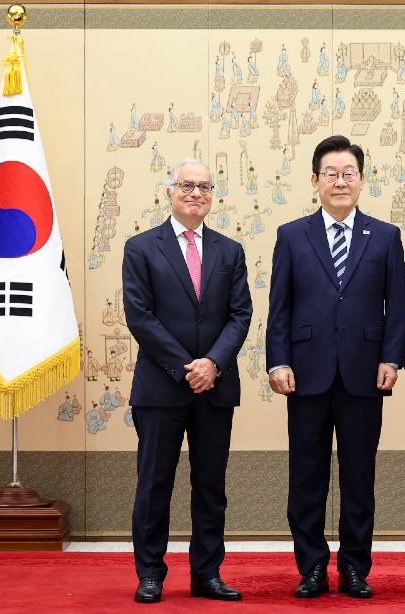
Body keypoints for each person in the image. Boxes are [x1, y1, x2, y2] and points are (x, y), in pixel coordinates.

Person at [266, 135, 405, 599]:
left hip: (364, 375)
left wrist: (392, 357)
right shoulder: (291, 236)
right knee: (306, 478)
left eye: (349, 173)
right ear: (314, 181)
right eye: (331, 173)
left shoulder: (386, 237)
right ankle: (310, 568)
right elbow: (279, 308)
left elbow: (400, 304)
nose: (340, 181)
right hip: (305, 375)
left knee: (359, 477)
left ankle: (354, 568)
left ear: (362, 180)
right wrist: (277, 361)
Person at [123, 158, 252, 604]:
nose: (196, 193)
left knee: (211, 486)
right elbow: (140, 316)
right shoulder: (141, 248)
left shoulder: (229, 251)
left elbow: (241, 315)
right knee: (155, 483)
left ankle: (206, 574)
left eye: (205, 186)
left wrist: (212, 364)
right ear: (170, 192)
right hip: (161, 388)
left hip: (215, 387)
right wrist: (186, 367)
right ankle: (150, 574)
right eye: (187, 185)